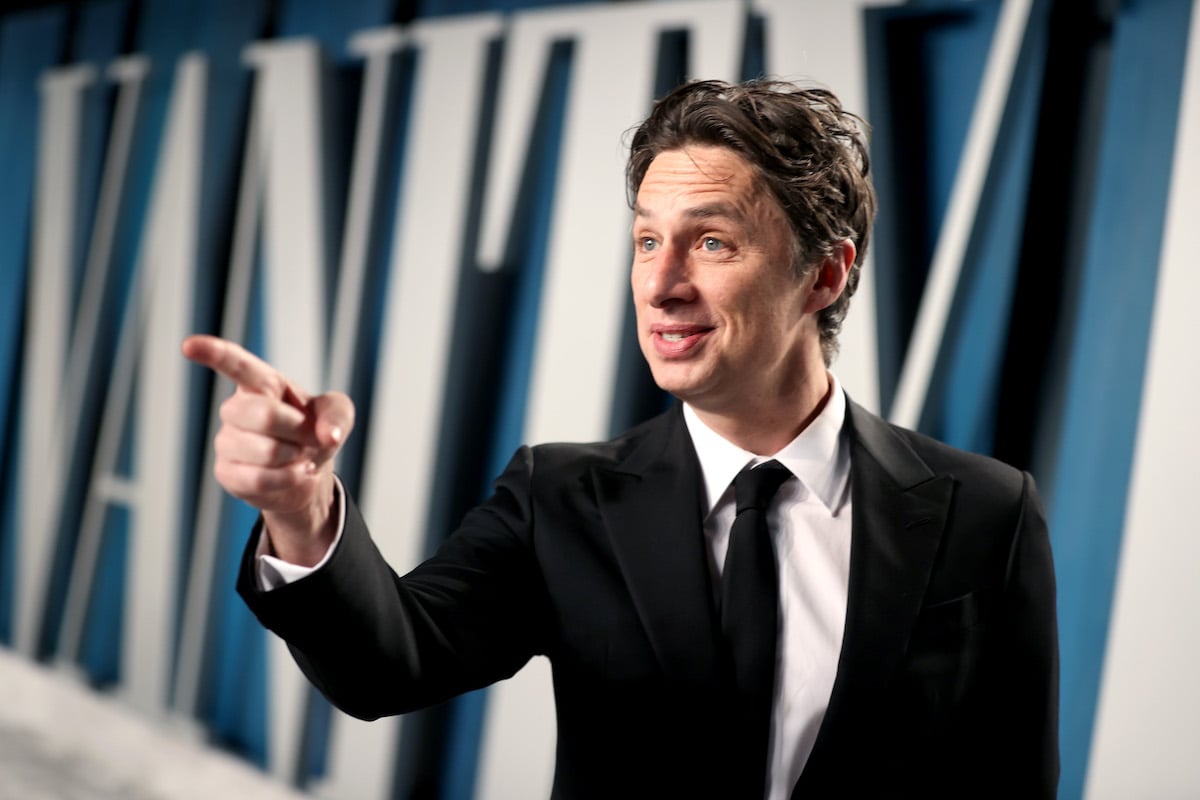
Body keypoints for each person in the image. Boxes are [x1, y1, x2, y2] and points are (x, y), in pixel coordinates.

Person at [183, 79, 1059, 798]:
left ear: (823, 274)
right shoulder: (560, 497)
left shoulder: (986, 511)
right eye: (647, 240)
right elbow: (386, 667)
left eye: (711, 241)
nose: (661, 284)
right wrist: (301, 513)